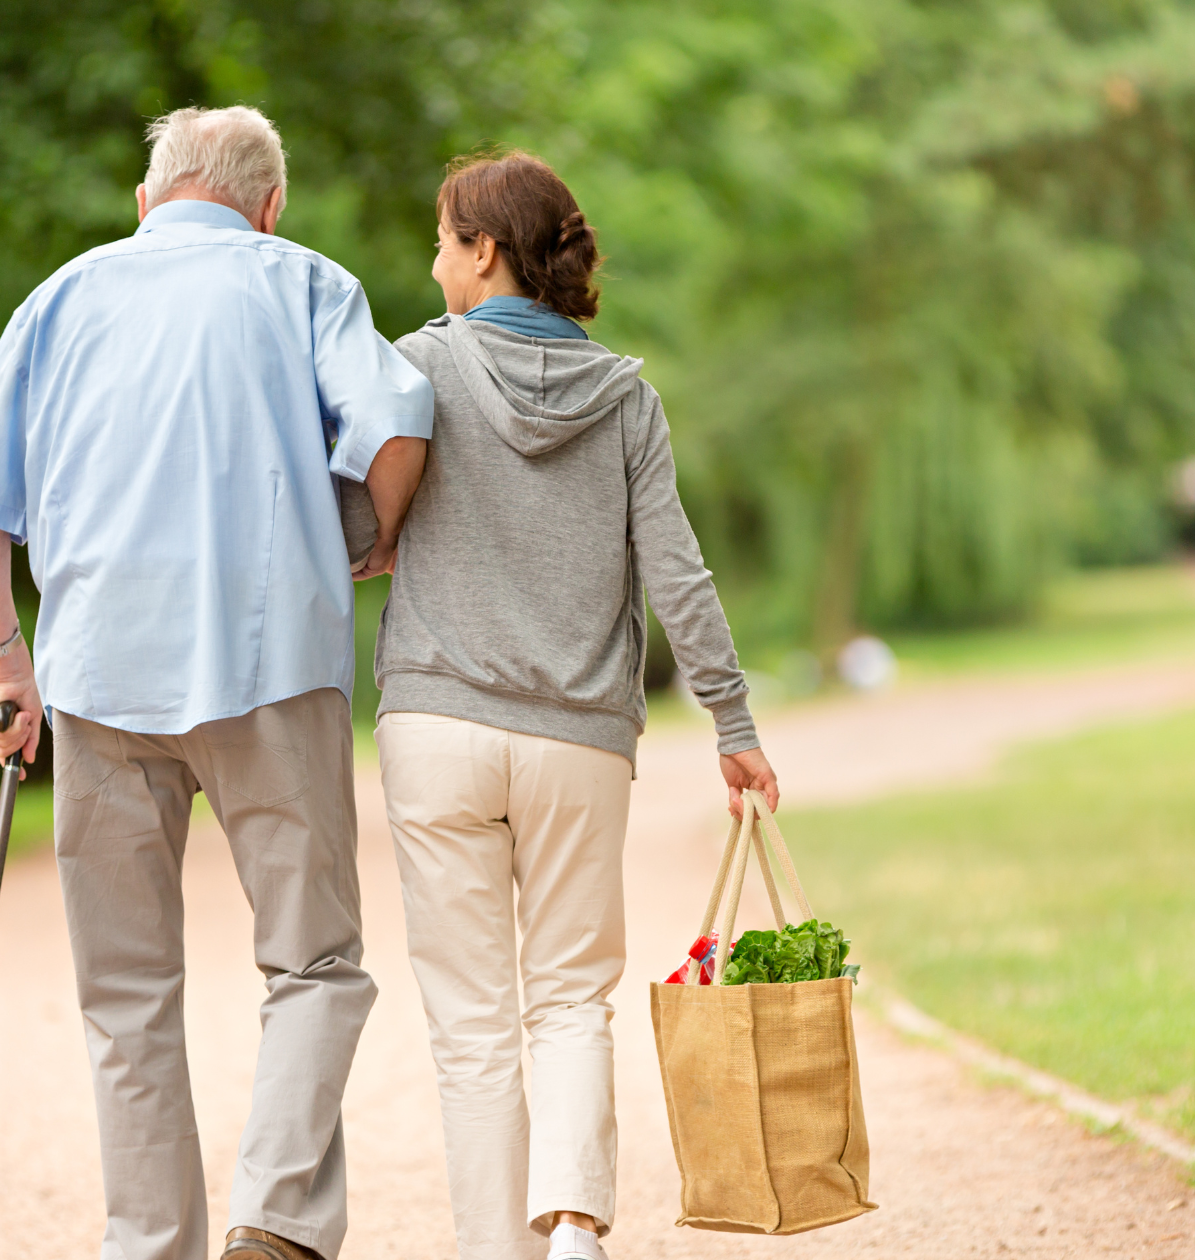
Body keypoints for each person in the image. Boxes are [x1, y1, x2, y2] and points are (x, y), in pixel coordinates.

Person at [0, 106, 433, 1260]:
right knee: (311, 962)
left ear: (147, 200)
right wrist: (372, 537)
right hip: (271, 666)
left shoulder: (60, 298)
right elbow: (400, 421)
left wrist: (9, 665)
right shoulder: (302, 280)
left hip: (99, 678)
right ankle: (275, 1218)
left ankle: (150, 1246)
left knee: (124, 994)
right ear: (269, 205)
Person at [345, 151, 780, 1260]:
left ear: (484, 253)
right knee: (569, 999)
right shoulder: (626, 396)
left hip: (437, 728)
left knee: (473, 1020)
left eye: (442, 240)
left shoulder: (415, 371)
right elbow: (676, 572)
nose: (431, 260)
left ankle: (494, 1250)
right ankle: (576, 1231)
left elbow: (356, 528)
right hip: (579, 739)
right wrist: (729, 724)